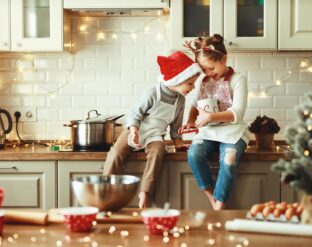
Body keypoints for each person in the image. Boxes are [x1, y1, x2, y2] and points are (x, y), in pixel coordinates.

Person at [103, 51, 202, 208]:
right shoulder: (152, 93)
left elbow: (176, 125)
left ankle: (145, 193)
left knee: (158, 151)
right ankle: (106, 190)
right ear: (178, 80)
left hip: (154, 135)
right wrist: (134, 131)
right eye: (190, 83)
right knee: (115, 154)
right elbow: (135, 114)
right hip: (135, 130)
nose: (193, 87)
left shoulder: (180, 100)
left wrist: (177, 143)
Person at [180, 34, 249, 210]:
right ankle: (213, 197)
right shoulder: (203, 81)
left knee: (229, 158)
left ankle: (220, 205)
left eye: (211, 68)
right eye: (204, 70)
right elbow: (194, 104)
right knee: (194, 155)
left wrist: (210, 117)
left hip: (233, 132)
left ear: (224, 59)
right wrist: (190, 121)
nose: (208, 73)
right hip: (209, 132)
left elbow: (237, 113)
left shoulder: (238, 79)